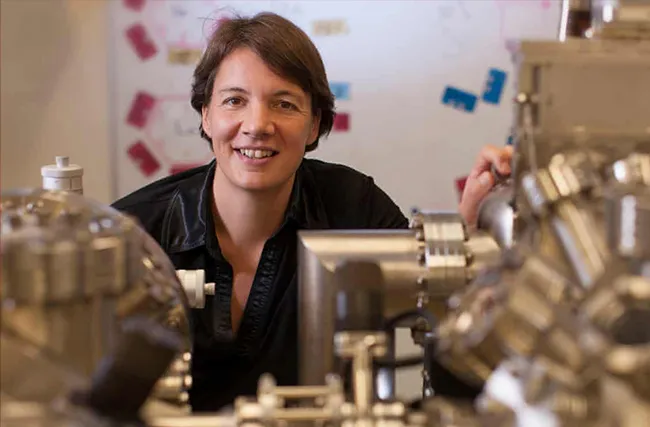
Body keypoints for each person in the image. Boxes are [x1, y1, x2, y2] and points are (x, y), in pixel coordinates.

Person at [112, 12, 513, 412]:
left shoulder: (356, 207)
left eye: (284, 104)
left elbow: (431, 318)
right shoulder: (136, 233)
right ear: (206, 114)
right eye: (234, 101)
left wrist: (468, 235)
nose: (257, 124)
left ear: (314, 124)